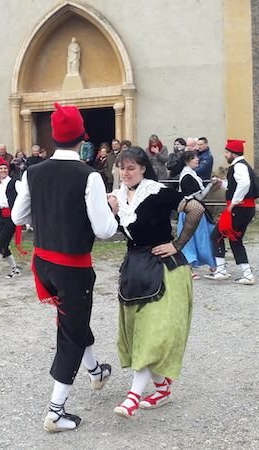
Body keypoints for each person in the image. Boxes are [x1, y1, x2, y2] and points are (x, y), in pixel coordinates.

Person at [11, 102, 118, 433]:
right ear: (81, 137)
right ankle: (56, 411)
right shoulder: (90, 176)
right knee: (70, 332)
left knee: (74, 321)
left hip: (44, 263)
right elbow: (104, 230)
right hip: (72, 266)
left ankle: (95, 371)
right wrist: (112, 208)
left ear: (55, 137)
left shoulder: (33, 172)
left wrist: (47, 218)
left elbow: (17, 217)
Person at [105, 147, 206, 420]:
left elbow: (196, 208)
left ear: (143, 168)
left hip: (165, 271)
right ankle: (162, 389)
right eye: (121, 168)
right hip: (135, 271)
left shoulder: (158, 192)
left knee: (151, 335)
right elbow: (118, 232)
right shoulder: (117, 197)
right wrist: (113, 212)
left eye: (131, 168)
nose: (125, 173)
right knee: (141, 334)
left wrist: (177, 244)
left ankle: (132, 398)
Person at [205, 139, 259, 285]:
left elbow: (244, 184)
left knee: (216, 235)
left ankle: (221, 271)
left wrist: (234, 202)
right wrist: (222, 183)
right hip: (245, 208)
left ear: (232, 153)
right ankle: (245, 273)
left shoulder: (239, 166)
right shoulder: (241, 166)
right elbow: (236, 185)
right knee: (234, 239)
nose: (225, 155)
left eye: (226, 152)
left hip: (239, 208)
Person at [177, 151, 216, 278]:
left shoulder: (190, 174)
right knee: (196, 238)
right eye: (194, 158)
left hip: (194, 210)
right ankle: (191, 268)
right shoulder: (188, 176)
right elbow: (200, 196)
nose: (197, 160)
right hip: (193, 211)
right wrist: (211, 184)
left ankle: (213, 265)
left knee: (202, 236)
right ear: (188, 160)